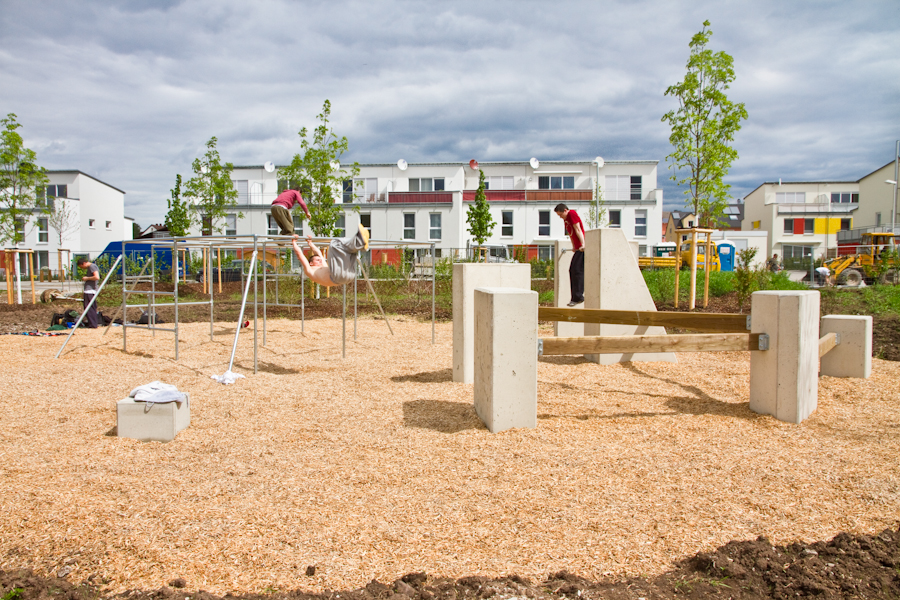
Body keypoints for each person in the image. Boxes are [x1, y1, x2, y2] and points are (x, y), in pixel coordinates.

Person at [291, 224, 370, 287]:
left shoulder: (323, 266)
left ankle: (360, 242)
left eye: (320, 259)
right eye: (317, 260)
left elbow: (318, 252)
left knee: (348, 252)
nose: (320, 260)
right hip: (338, 277)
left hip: (347, 276)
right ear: (311, 263)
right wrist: (294, 242)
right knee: (334, 244)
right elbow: (300, 255)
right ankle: (359, 241)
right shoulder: (309, 270)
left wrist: (310, 243)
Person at [555, 203, 586, 306]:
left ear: (565, 210)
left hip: (582, 248)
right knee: (572, 270)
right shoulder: (566, 219)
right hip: (578, 248)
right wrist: (574, 246)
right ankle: (576, 297)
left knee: (577, 270)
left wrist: (583, 244)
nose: (560, 217)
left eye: (560, 214)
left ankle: (578, 297)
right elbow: (571, 233)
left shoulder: (572, 213)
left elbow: (578, 229)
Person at [77, 257, 100, 328]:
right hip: (90, 290)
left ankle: (93, 324)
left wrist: (87, 278)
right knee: (91, 307)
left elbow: (96, 277)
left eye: (82, 267)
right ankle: (92, 323)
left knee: (89, 307)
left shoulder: (92, 266)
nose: (83, 268)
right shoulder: (92, 267)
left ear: (84, 263)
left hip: (90, 290)